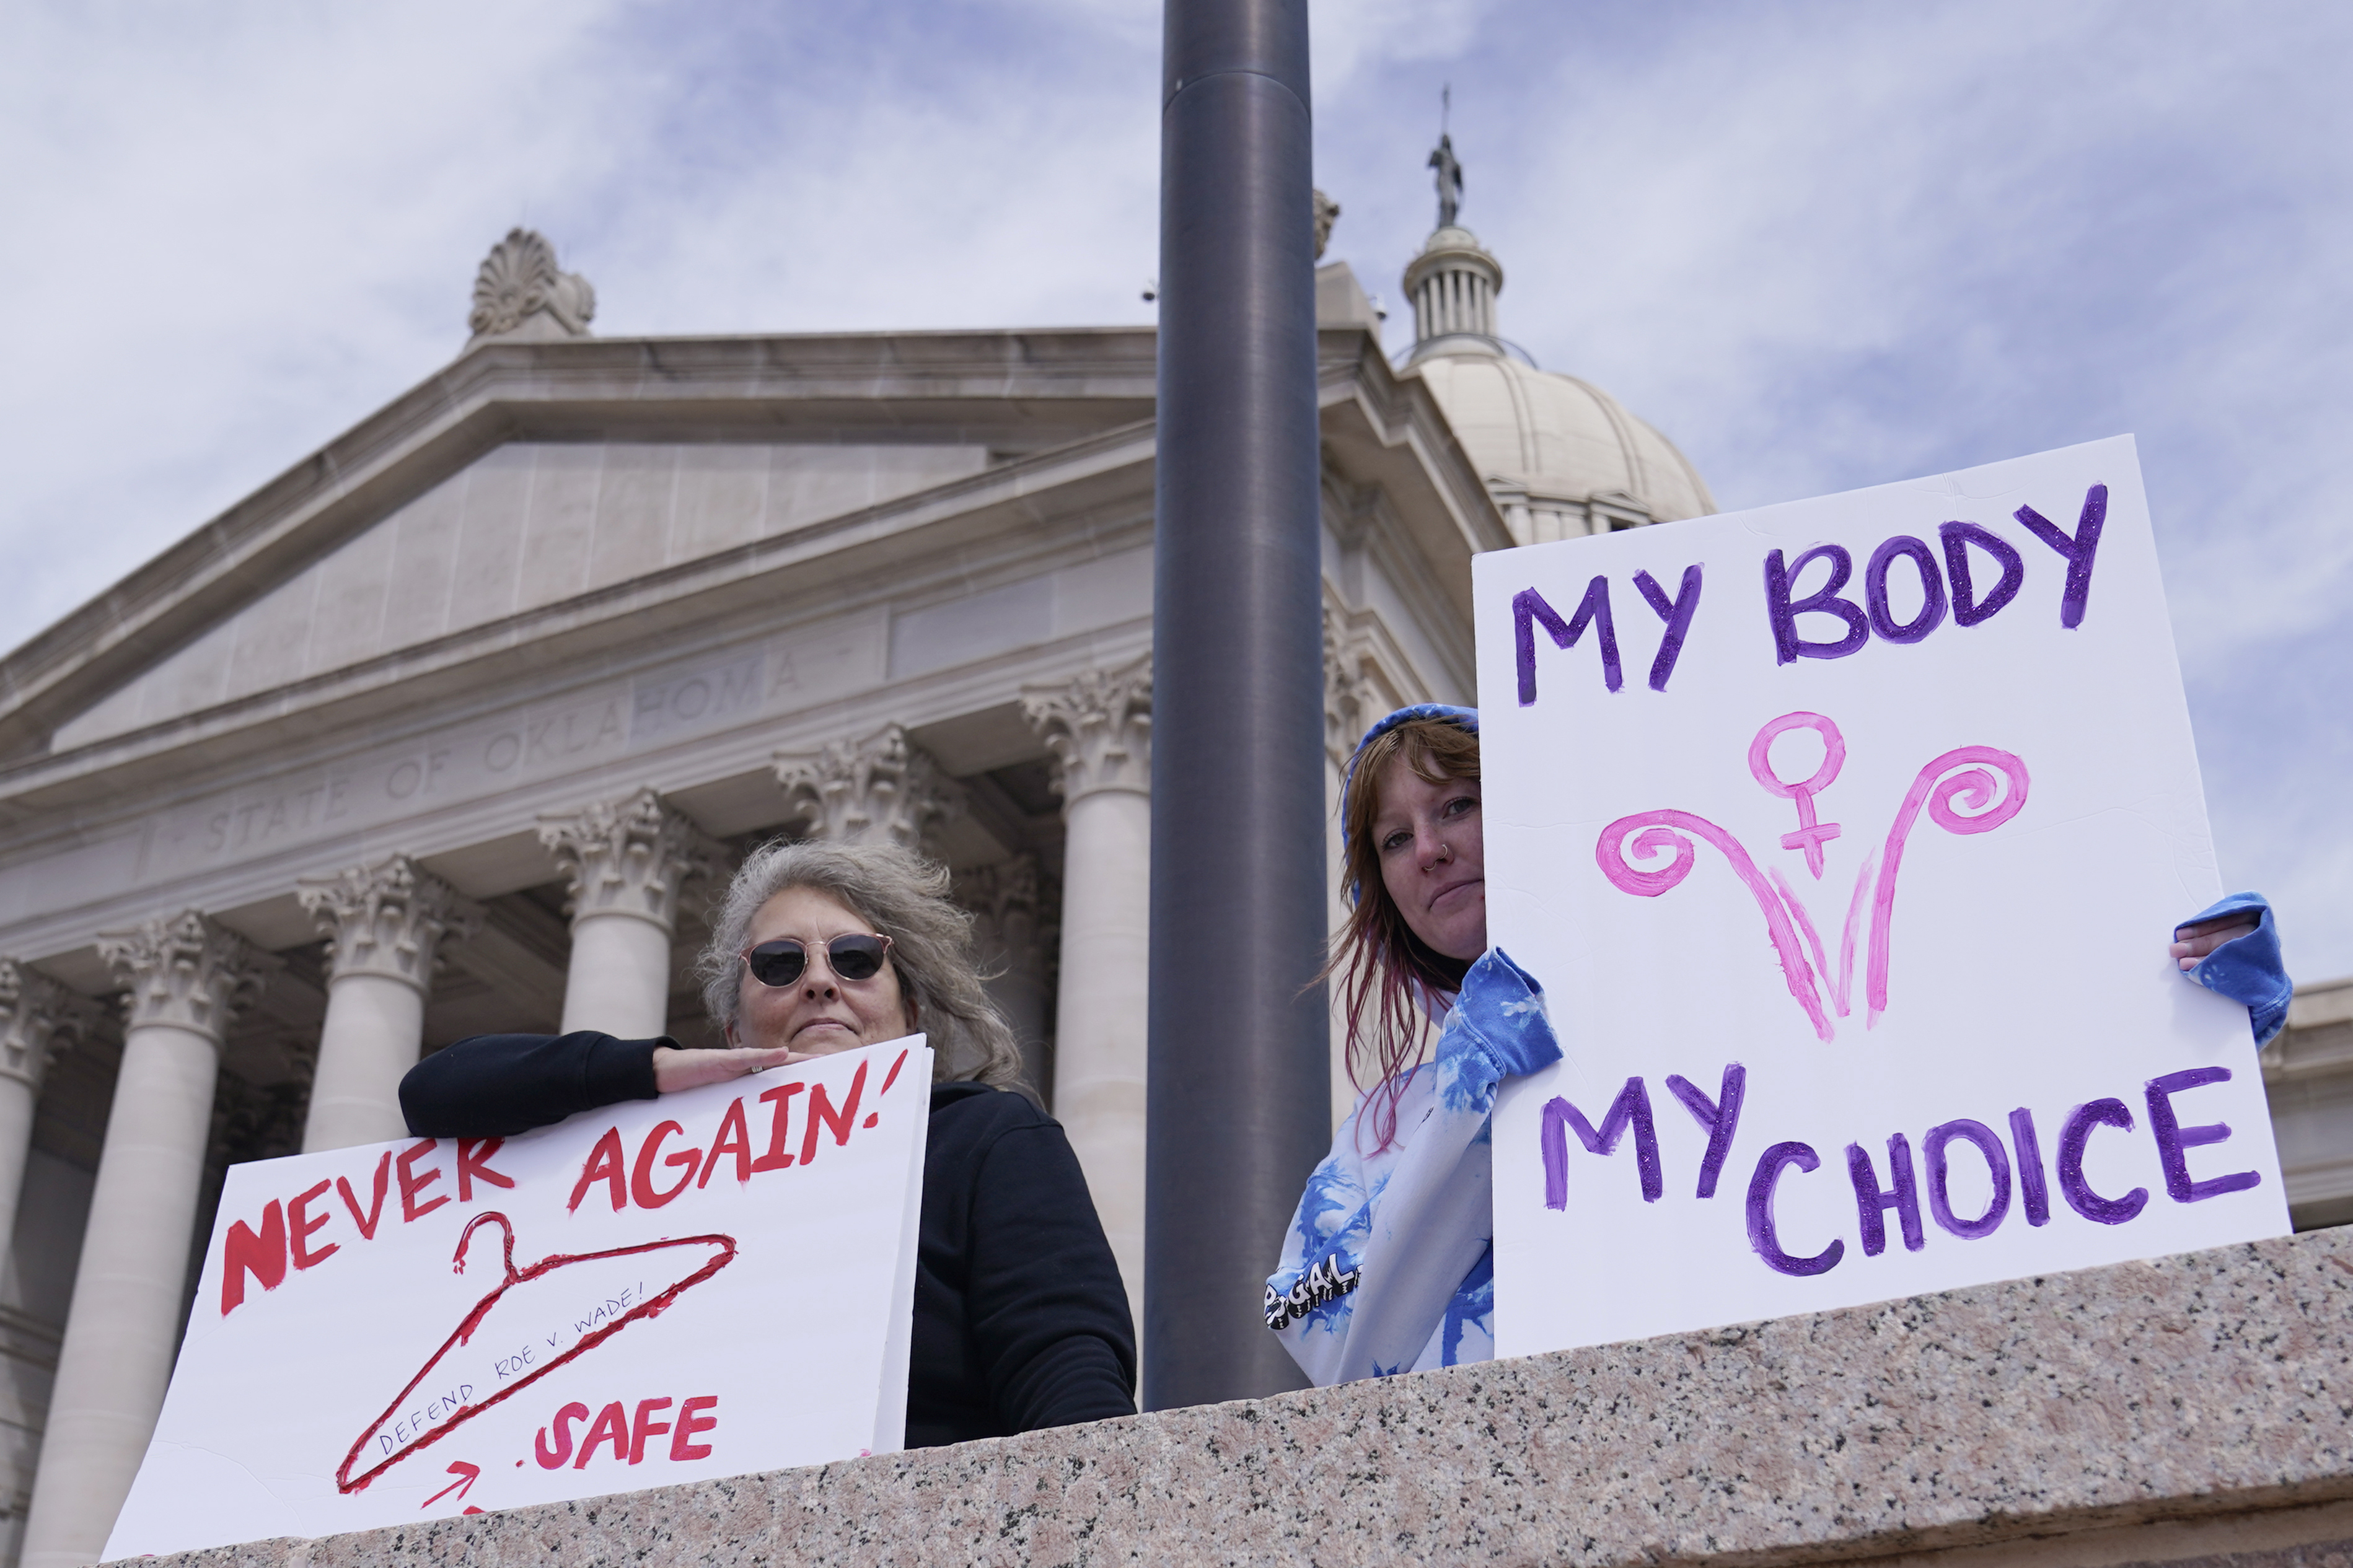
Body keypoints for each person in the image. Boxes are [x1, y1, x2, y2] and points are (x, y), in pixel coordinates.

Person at [1265, 703, 2293, 1387]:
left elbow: (1964, 1088)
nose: (1430, 849)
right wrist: (1462, 1114)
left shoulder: (1728, 992)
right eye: (1395, 837)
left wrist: (2186, 999)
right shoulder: (1378, 1131)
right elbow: (1323, 1332)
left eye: (1456, 806)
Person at [401, 838, 1137, 1447]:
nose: (819, 981)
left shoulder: (982, 1138)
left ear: (910, 1009)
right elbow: (434, 1092)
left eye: (855, 958)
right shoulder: (673, 1162)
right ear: (734, 1028)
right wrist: (646, 1072)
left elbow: (1064, 1370)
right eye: (779, 964)